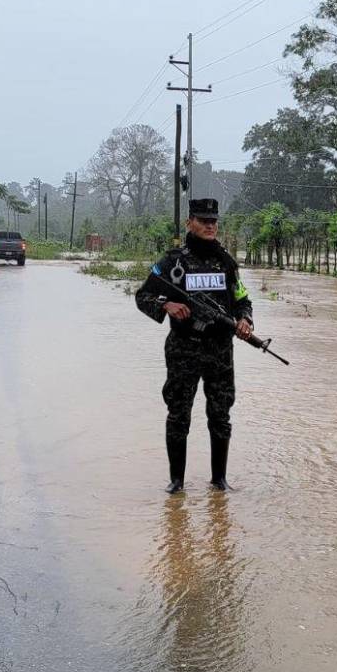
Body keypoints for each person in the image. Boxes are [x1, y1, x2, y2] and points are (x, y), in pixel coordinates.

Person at [135, 198, 253, 493]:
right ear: (190, 222)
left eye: (214, 221)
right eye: (203, 220)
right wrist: (167, 306)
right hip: (183, 348)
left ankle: (219, 481)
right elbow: (143, 296)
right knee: (178, 413)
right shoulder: (173, 262)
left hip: (220, 350)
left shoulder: (226, 263)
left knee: (221, 414)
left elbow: (242, 299)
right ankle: (177, 482)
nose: (210, 226)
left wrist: (245, 320)